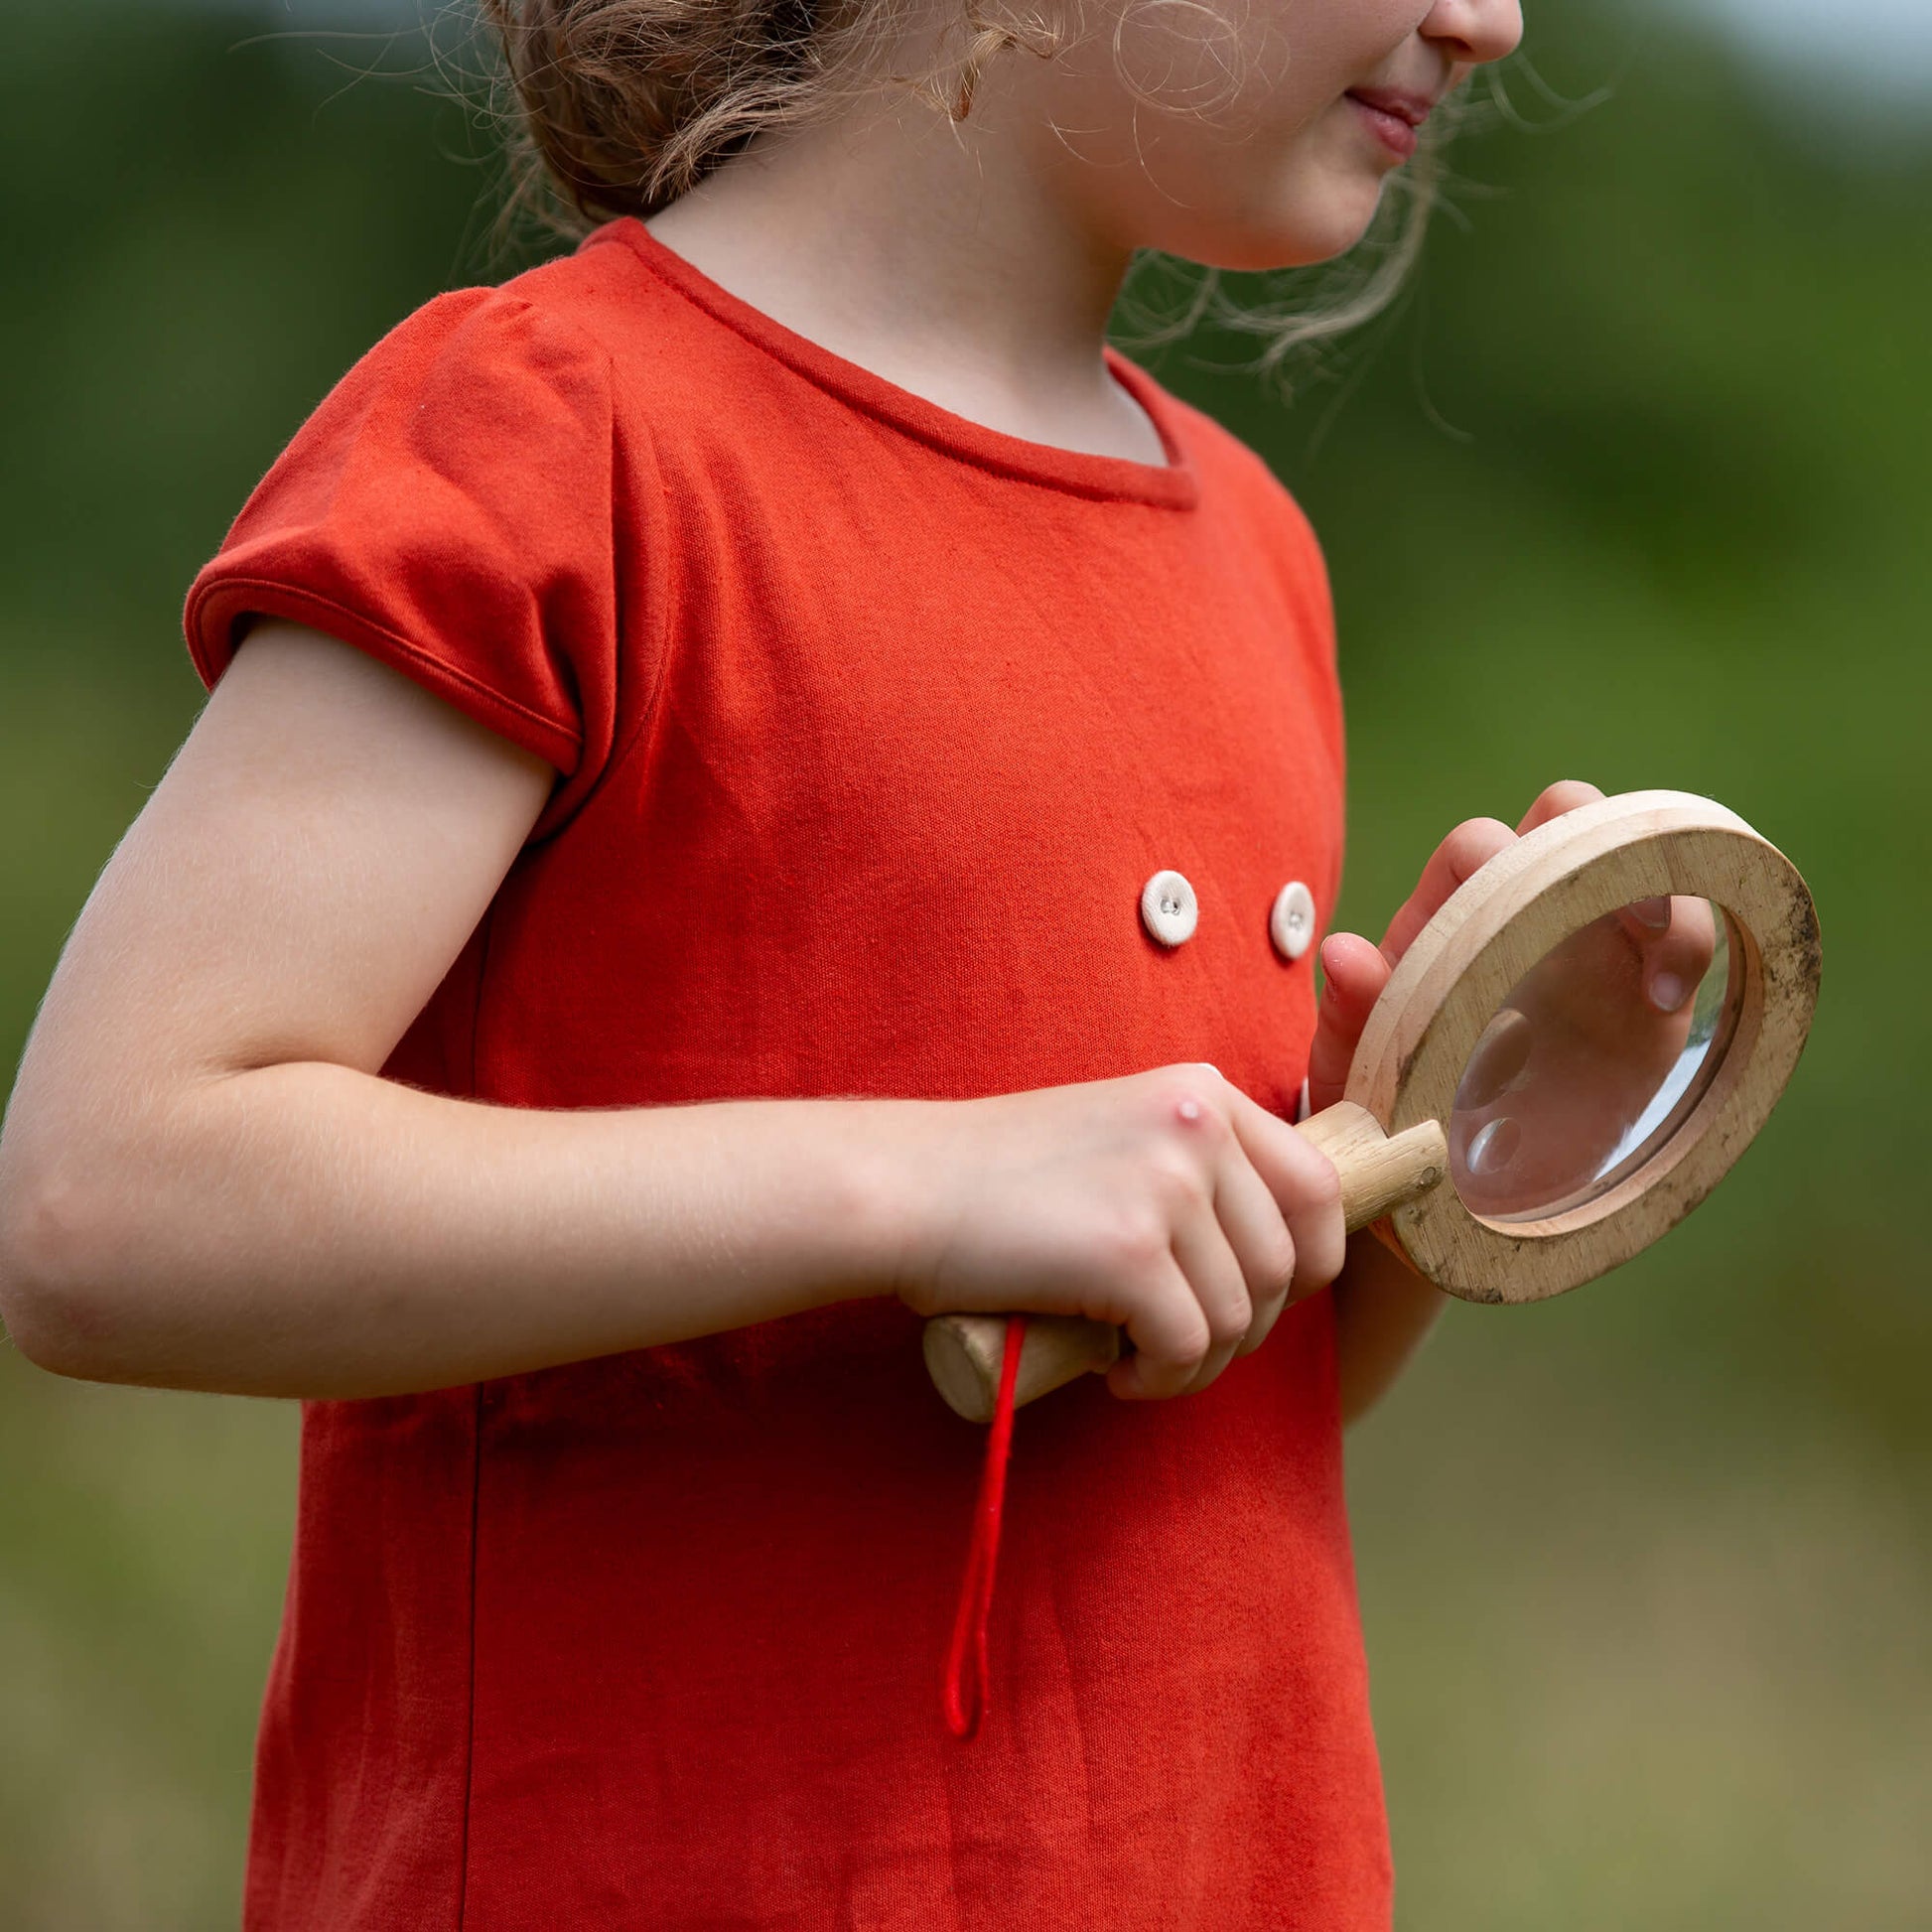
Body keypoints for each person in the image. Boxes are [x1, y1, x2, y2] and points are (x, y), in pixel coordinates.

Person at [0, 1, 1708, 1925]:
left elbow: (1143, 1392)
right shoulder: (564, 430)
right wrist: (921, 1177)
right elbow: (103, 1199)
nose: (1487, 19)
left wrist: (1452, 1140)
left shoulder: (1255, 548)